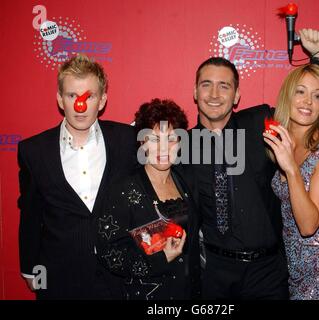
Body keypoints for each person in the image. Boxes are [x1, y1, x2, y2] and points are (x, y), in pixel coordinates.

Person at [189, 29, 319, 299]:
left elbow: (309, 107)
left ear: (236, 95)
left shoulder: (263, 124)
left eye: (224, 86)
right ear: (195, 92)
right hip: (215, 274)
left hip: (268, 272)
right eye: (206, 84)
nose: (214, 94)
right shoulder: (182, 147)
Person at [17, 54, 137, 299]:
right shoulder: (34, 150)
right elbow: (31, 213)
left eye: (89, 96)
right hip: (59, 275)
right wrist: (30, 270)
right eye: (72, 96)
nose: (79, 106)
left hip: (116, 277)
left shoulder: (126, 140)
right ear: (60, 99)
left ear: (102, 100)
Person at [96, 98, 201, 300]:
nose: (163, 147)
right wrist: (160, 260)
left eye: (171, 138)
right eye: (154, 139)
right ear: (142, 143)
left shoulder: (185, 181)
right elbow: (109, 253)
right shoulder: (123, 190)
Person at [263, 64, 319, 300]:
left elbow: (308, 225)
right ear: (287, 96)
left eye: (317, 95)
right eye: (300, 92)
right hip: (292, 268)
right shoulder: (284, 143)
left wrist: (291, 168)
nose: (308, 101)